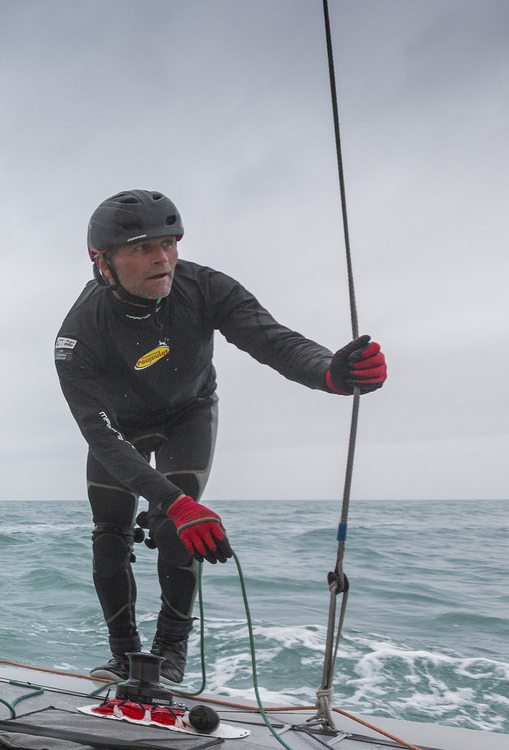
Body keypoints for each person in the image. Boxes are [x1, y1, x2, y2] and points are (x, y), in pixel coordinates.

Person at [54, 189, 387, 684]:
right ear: (101, 260)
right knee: (109, 536)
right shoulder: (79, 334)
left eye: (169, 243)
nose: (162, 258)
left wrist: (330, 373)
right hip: (117, 431)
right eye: (143, 247)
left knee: (175, 527)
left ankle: (169, 652)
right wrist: (173, 500)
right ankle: (123, 654)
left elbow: (271, 339)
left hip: (187, 414)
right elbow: (98, 436)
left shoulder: (206, 288)